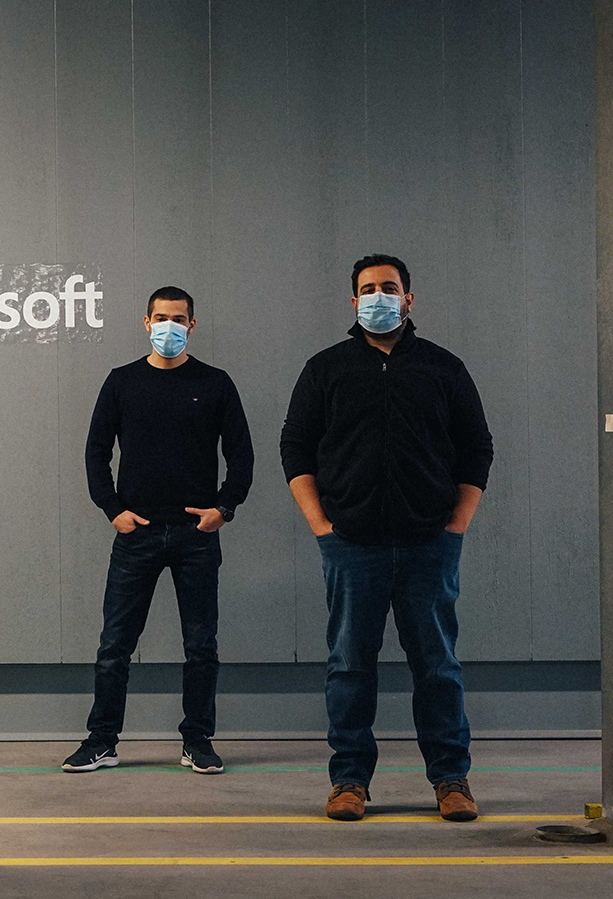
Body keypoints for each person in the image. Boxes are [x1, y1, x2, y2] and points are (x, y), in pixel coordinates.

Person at [279, 254, 494, 823]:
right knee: (350, 664)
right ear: (353, 302)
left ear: (409, 299)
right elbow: (295, 449)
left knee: (438, 666)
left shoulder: (444, 369)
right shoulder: (325, 369)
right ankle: (349, 780)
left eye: (389, 288)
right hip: (351, 545)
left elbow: (477, 449)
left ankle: (451, 780)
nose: (379, 296)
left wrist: (456, 527)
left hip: (429, 545)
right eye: (368, 289)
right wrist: (321, 526)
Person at [64, 286, 254, 775]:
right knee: (114, 645)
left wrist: (223, 509)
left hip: (196, 534)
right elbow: (95, 452)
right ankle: (102, 741)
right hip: (137, 533)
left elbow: (242, 455)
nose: (170, 326)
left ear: (192, 325)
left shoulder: (215, 383)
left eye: (179, 319)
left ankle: (197, 741)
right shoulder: (121, 382)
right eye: (161, 318)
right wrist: (112, 510)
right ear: (146, 323)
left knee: (201, 645)